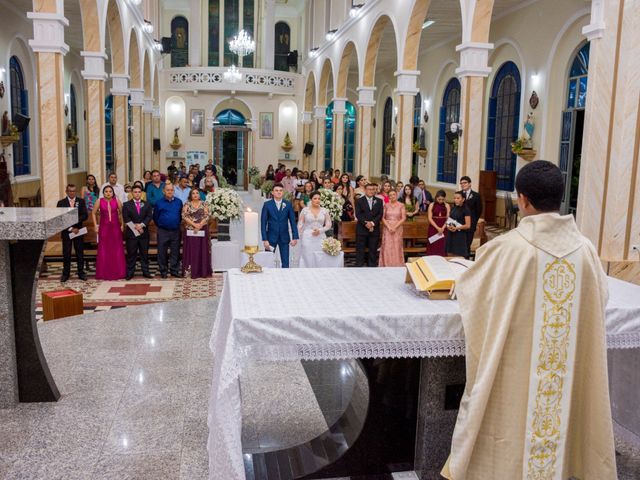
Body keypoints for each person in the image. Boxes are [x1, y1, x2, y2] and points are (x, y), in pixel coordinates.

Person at [442, 160, 616, 480]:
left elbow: (474, 294)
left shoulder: (508, 248)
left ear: (522, 199)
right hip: (566, 371)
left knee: (508, 415)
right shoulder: (587, 250)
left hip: (517, 368)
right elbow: (599, 299)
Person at [260, 183, 298, 268]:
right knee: (268, 261)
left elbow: (292, 221)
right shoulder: (267, 205)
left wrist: (295, 237)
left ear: (283, 192)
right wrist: (265, 239)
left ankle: (285, 279)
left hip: (284, 237)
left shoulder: (287, 204)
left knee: (285, 263)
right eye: (276, 190)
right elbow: (263, 223)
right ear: (272, 192)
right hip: (270, 237)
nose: (279, 192)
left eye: (281, 190)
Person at [93, 185, 126, 280]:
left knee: (117, 249)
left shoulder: (117, 201)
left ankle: (119, 272)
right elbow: (93, 213)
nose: (108, 193)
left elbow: (122, 213)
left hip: (115, 228)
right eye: (106, 191)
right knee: (104, 250)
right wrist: (96, 225)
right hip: (104, 228)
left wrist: (122, 225)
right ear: (103, 193)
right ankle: (103, 272)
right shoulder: (99, 201)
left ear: (113, 193)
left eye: (110, 191)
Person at [56, 184, 88, 282]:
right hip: (67, 232)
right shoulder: (61, 203)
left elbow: (85, 215)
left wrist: (75, 221)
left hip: (78, 231)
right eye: (70, 191)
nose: (72, 193)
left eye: (74, 191)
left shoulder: (81, 201)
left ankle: (81, 273)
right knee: (66, 253)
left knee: (79, 253)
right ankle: (66, 274)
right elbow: (59, 218)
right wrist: (70, 228)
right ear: (66, 191)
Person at [122, 184, 153, 279]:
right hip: (132, 234)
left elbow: (149, 216)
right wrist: (135, 227)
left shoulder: (147, 204)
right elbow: (126, 218)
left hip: (144, 233)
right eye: (135, 192)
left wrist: (141, 225)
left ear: (142, 193)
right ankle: (130, 273)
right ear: (132, 193)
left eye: (139, 192)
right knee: (131, 254)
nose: (137, 194)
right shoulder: (126, 205)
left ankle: (146, 272)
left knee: (144, 254)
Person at [153, 183, 184, 278]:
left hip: (175, 230)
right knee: (162, 252)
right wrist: (162, 225)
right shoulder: (159, 203)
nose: (170, 192)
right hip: (163, 231)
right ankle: (163, 271)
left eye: (171, 190)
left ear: (174, 191)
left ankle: (174, 270)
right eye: (168, 190)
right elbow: (155, 217)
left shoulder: (179, 202)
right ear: (164, 191)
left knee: (175, 251)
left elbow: (180, 216)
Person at [182, 188, 213, 278]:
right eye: (193, 193)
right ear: (190, 195)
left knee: (202, 250)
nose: (195, 195)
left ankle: (202, 271)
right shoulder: (187, 204)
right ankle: (191, 271)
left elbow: (207, 216)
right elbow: (184, 216)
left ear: (199, 195)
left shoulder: (204, 204)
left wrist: (200, 225)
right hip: (191, 230)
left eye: (197, 193)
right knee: (191, 250)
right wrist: (194, 225)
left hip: (202, 229)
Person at [297, 191, 332, 268]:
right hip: (307, 236)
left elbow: (329, 224)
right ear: (311, 199)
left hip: (320, 236)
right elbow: (300, 224)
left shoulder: (324, 210)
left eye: (319, 199)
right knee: (307, 255)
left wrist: (321, 230)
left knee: (320, 255)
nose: (317, 200)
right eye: (315, 198)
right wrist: (298, 237)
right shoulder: (305, 210)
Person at [354, 183, 383, 267]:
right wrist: (366, 223)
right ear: (365, 190)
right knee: (360, 250)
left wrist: (372, 223)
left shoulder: (379, 201)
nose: (371, 191)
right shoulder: (359, 200)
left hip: (374, 229)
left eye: (373, 189)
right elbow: (358, 214)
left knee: (373, 250)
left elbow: (380, 214)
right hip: (362, 229)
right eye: (369, 189)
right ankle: (359, 267)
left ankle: (372, 266)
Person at [379, 189, 407, 267]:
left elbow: (403, 218)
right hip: (387, 228)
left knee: (396, 246)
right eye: (390, 195)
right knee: (387, 246)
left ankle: (397, 264)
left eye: (393, 194)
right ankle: (386, 264)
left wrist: (395, 226)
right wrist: (388, 226)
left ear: (396, 195)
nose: (392, 196)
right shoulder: (386, 205)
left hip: (397, 227)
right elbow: (382, 217)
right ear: (388, 196)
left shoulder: (401, 205)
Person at [459, 175, 482, 253]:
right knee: (459, 244)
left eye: (465, 183)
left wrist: (474, 222)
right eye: (461, 183)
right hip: (460, 224)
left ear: (469, 184)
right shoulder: (458, 194)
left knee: (467, 244)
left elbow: (479, 211)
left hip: (471, 224)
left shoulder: (476, 195)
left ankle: (466, 260)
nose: (463, 185)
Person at [445, 191, 471, 258]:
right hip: (451, 234)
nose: (456, 200)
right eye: (455, 198)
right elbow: (449, 220)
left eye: (458, 198)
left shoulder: (466, 210)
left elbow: (468, 225)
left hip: (460, 236)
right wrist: (448, 226)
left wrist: (456, 228)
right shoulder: (453, 208)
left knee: (458, 256)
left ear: (463, 199)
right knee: (449, 255)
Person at [426, 190, 450, 256]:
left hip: (443, 227)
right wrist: (437, 228)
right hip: (433, 227)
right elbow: (429, 218)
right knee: (433, 244)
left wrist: (442, 228)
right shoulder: (432, 204)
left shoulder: (447, 205)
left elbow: (448, 218)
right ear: (436, 197)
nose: (441, 201)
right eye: (439, 199)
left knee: (442, 245)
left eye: (442, 199)